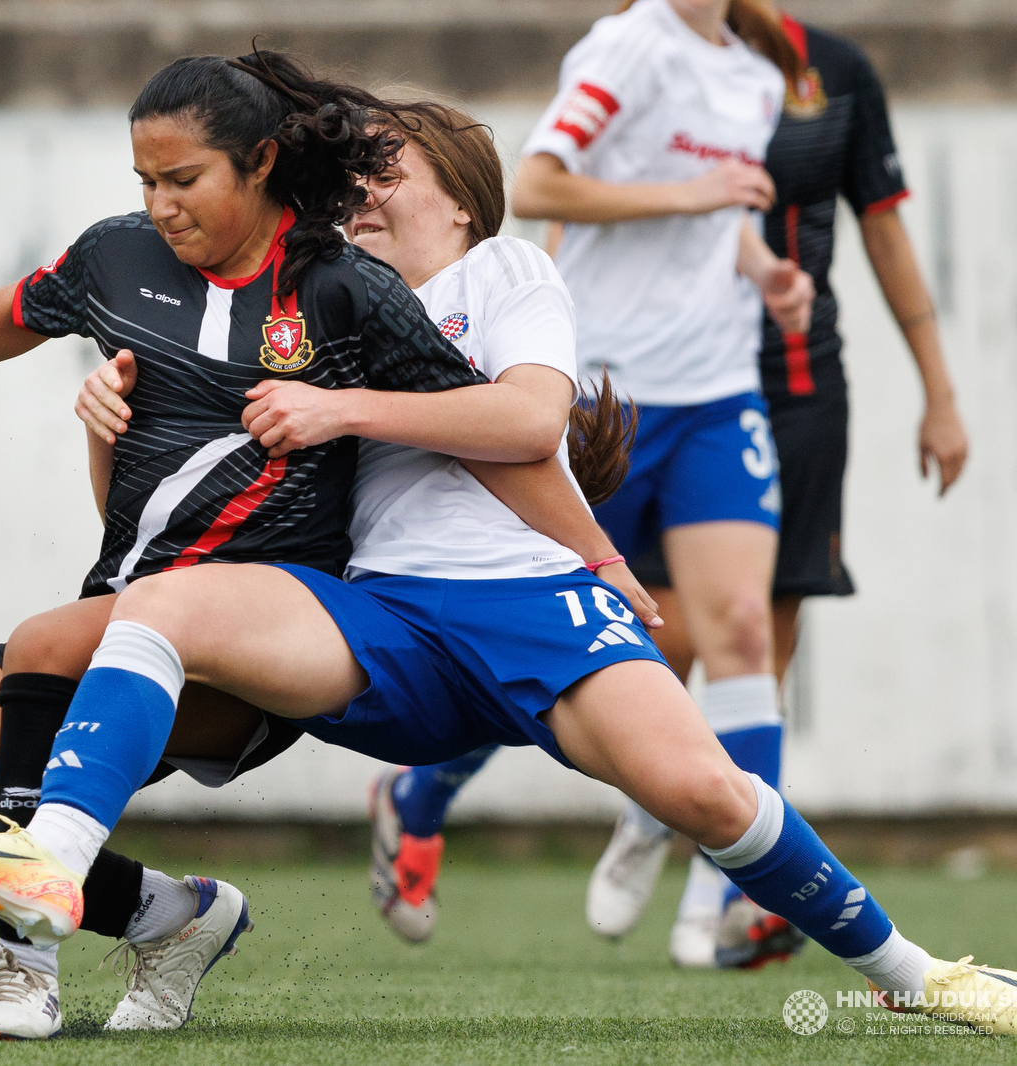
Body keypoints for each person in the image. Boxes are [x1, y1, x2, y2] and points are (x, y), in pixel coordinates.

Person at [0, 78, 1017, 1038]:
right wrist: (114, 424)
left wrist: (570, 539)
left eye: (385, 172)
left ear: (459, 198)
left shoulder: (506, 273)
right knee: (163, 605)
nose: (358, 195)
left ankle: (914, 973)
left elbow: (520, 423)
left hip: (528, 610)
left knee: (706, 793)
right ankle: (59, 874)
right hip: (374, 618)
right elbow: (184, 512)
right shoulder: (326, 302)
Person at [0, 54, 645, 1039]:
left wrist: (595, 555)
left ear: (259, 163)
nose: (161, 204)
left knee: (47, 640)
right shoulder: (119, 262)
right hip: (132, 609)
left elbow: (501, 433)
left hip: (263, 635)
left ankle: (24, 969)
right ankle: (169, 917)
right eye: (146, 181)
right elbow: (19, 323)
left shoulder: (348, 294)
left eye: (183, 180)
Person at [366, 0, 812, 964]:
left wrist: (763, 265)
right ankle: (421, 792)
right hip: (608, 390)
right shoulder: (629, 44)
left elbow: (710, 213)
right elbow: (539, 183)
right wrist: (698, 197)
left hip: (719, 389)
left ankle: (726, 906)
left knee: (736, 626)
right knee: (560, 630)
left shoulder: (758, 74)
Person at [578, 1, 972, 969]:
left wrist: (939, 391)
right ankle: (644, 810)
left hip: (790, 395)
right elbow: (566, 197)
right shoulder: (639, 53)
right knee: (646, 639)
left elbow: (879, 234)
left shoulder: (828, 73)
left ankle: (714, 906)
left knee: (755, 637)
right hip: (651, 388)